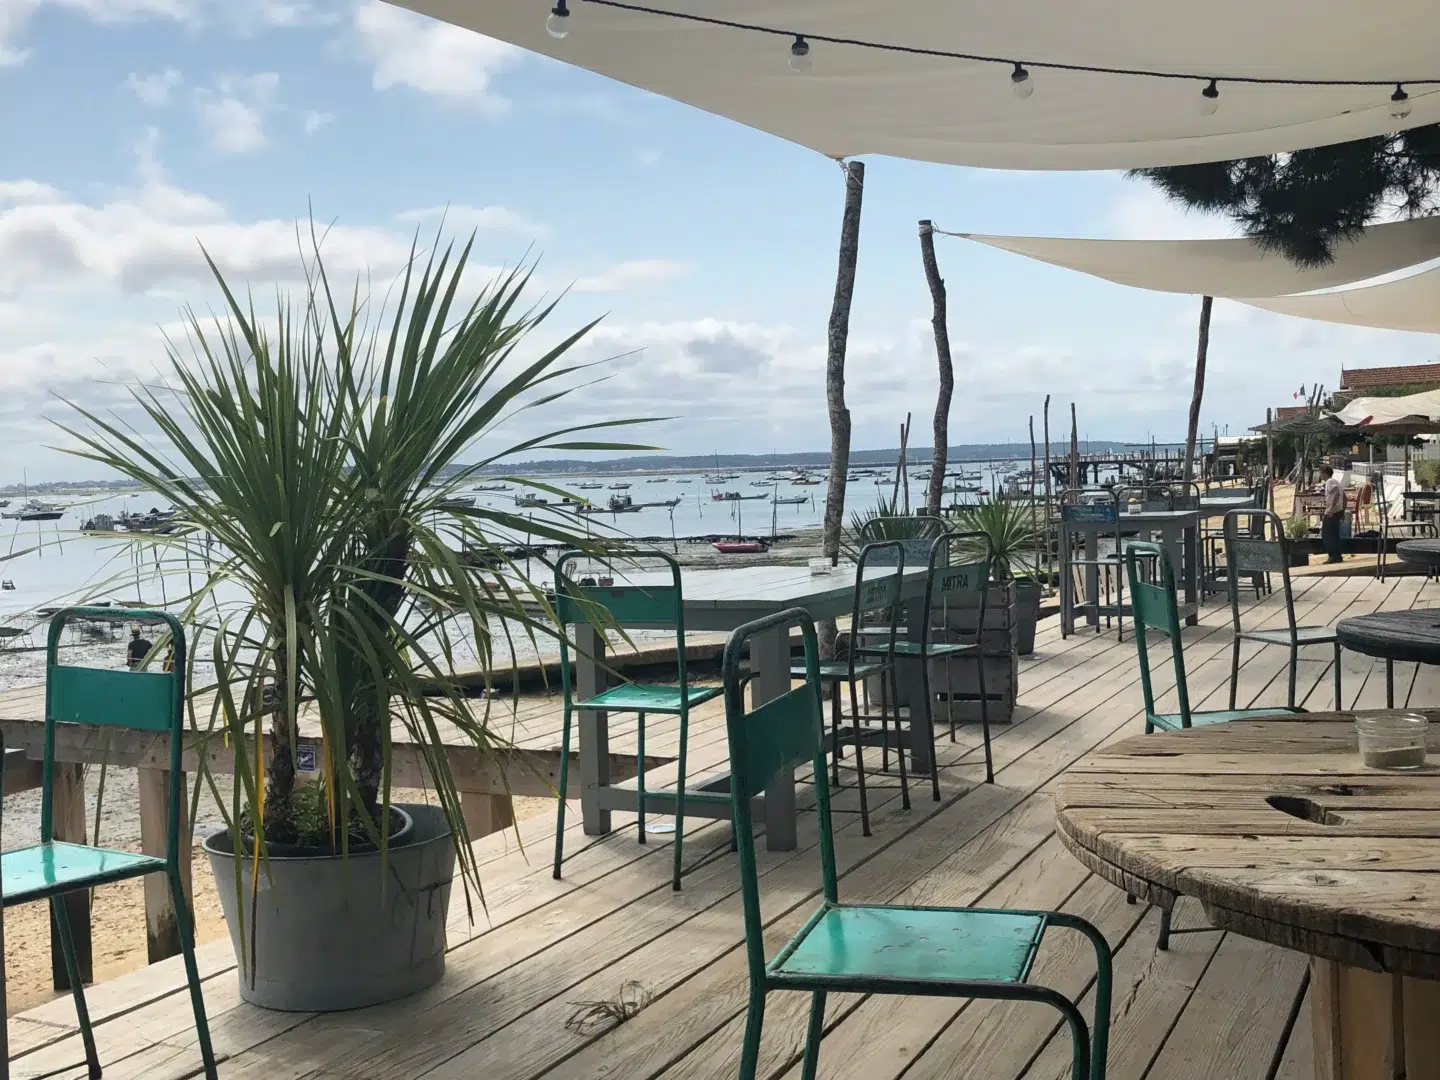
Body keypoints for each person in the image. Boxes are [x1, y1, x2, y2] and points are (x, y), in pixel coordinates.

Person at [1320, 465, 1346, 564]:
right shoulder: (1336, 482)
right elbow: (1345, 498)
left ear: (1325, 474)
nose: (1320, 475)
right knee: (1334, 534)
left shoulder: (1330, 481)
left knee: (1327, 534)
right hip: (1338, 511)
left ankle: (1332, 556)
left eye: (1321, 473)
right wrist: (1343, 511)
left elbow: (1336, 494)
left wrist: (1330, 508)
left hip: (1333, 511)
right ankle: (1337, 556)